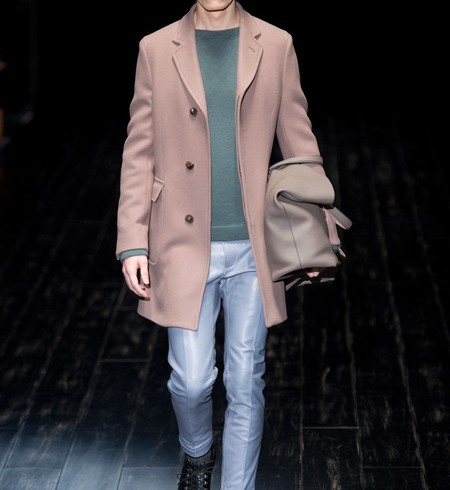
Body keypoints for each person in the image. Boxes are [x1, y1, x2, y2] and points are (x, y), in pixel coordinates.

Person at [116, 1, 341, 488]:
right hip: (180, 244)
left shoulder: (276, 44)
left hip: (254, 247)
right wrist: (133, 240)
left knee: (245, 380)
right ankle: (198, 454)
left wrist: (318, 234)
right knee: (191, 380)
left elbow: (300, 145)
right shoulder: (155, 48)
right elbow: (139, 151)